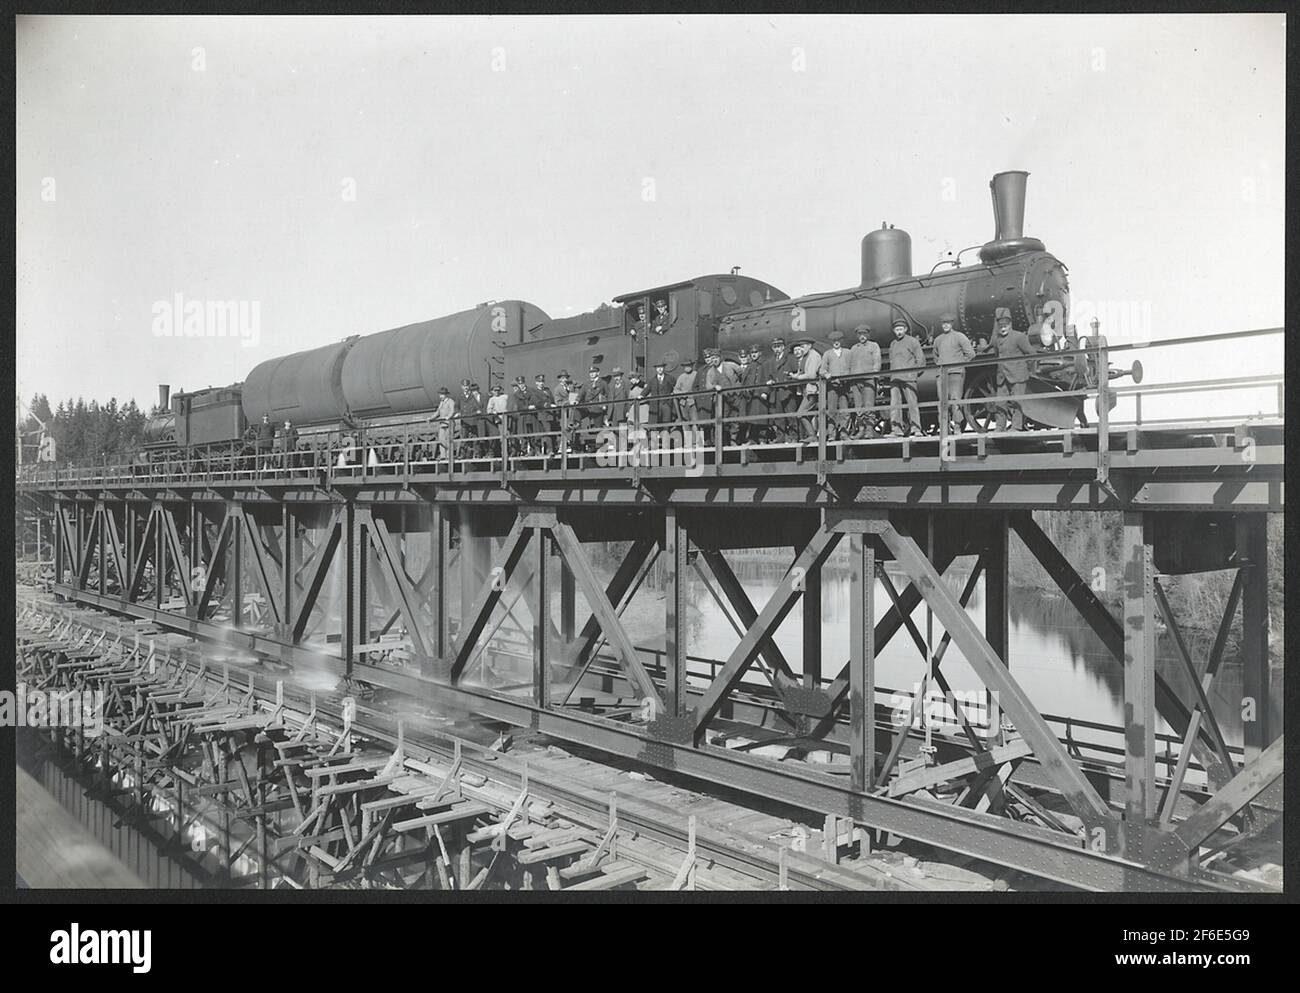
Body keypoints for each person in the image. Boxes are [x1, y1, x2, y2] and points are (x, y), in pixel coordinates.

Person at [989, 306, 1037, 431]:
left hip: (1018, 375)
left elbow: (1032, 354)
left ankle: (1016, 426)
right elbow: (996, 355)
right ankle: (1000, 427)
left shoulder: (1019, 337)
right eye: (1000, 326)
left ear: (1010, 324)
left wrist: (1026, 369)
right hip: (1002, 376)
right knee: (1000, 403)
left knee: (1017, 402)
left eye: (1005, 325)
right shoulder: (996, 340)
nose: (1003, 328)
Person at [931, 313, 976, 432]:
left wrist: (959, 364)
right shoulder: (938, 340)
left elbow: (970, 354)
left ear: (952, 324)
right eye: (943, 323)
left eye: (948, 323)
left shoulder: (959, 336)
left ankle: (957, 426)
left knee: (955, 400)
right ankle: (944, 428)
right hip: (941, 374)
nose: (945, 325)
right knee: (942, 402)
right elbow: (935, 356)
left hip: (956, 373)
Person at [887, 318, 925, 437]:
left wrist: (914, 374)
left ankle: (916, 428)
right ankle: (896, 429)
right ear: (894, 331)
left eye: (901, 329)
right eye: (897, 330)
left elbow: (921, 360)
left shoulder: (913, 342)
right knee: (895, 405)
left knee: (912, 403)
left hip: (908, 378)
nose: (899, 332)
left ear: (905, 329)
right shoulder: (893, 344)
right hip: (894, 378)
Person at [848, 325, 882, 437]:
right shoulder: (853, 348)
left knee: (868, 405)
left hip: (869, 379)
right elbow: (849, 364)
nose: (862, 336)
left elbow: (877, 361)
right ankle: (861, 429)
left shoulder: (874, 346)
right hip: (855, 380)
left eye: (864, 334)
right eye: (860, 334)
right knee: (858, 406)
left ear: (868, 335)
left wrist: (874, 373)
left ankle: (869, 429)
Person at [820, 330, 852, 439]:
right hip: (832, 386)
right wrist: (827, 375)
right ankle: (831, 434)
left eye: (838, 340)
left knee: (845, 410)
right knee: (831, 410)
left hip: (845, 385)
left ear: (842, 341)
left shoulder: (848, 352)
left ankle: (844, 433)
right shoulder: (827, 354)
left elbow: (851, 367)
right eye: (834, 341)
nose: (836, 342)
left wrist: (847, 377)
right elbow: (822, 370)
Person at [766, 336, 799, 441]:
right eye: (775, 347)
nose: (777, 349)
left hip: (787, 390)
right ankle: (780, 436)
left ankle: (794, 436)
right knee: (778, 416)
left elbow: (796, 372)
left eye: (779, 346)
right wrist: (770, 381)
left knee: (791, 414)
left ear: (783, 347)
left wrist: (789, 382)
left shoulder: (790, 358)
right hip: (775, 392)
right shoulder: (771, 361)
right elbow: (769, 375)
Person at [790, 337, 823, 441]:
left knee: (801, 413)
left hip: (813, 390)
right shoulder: (807, 356)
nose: (802, 349)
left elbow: (812, 375)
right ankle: (814, 435)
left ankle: (812, 435)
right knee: (811, 413)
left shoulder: (813, 356)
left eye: (803, 346)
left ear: (809, 346)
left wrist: (798, 377)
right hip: (808, 390)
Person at [577, 366, 609, 451]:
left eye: (594, 372)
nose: (591, 374)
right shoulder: (586, 383)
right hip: (588, 408)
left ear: (598, 373)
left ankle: (599, 447)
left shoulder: (603, 383)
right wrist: (577, 400)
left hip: (598, 408)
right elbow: (581, 394)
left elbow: (607, 395)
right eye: (590, 373)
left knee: (598, 428)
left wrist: (605, 405)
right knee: (576, 412)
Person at [528, 373, 555, 455]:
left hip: (550, 414)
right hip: (541, 414)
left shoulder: (547, 390)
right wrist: (549, 405)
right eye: (539, 382)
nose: (541, 383)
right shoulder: (534, 392)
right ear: (536, 383)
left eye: (542, 381)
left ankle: (549, 450)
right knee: (542, 432)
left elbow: (552, 400)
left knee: (549, 432)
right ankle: (541, 450)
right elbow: (538, 403)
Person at [645, 359, 675, 426]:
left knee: (666, 424)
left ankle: (665, 435)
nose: (660, 369)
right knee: (654, 424)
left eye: (661, 367)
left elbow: (675, 387)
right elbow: (647, 389)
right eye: (658, 368)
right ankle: (655, 436)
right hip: (656, 404)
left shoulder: (670, 378)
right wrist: (641, 395)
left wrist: (673, 393)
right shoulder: (652, 380)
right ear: (656, 369)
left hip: (667, 404)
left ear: (664, 368)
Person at [673, 357, 700, 432]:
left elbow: (700, 388)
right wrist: (682, 394)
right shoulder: (681, 377)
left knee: (696, 423)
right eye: (685, 366)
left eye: (689, 365)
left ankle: (698, 442)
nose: (687, 367)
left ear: (692, 366)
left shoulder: (696, 375)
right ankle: (688, 442)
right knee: (685, 423)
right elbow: (675, 390)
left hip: (694, 402)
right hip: (683, 403)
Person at [434, 387, 456, 460]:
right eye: (440, 394)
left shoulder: (450, 401)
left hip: (448, 423)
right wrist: (431, 418)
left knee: (449, 439)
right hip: (442, 423)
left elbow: (452, 411)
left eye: (442, 395)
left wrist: (448, 417)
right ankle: (443, 455)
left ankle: (449, 455)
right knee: (441, 440)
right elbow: (438, 412)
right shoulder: (441, 403)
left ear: (446, 395)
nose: (440, 396)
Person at [607, 367, 630, 436]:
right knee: (615, 430)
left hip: (622, 411)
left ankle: (623, 446)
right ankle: (616, 446)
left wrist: (628, 411)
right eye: (615, 376)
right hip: (614, 411)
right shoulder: (612, 386)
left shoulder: (625, 385)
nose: (616, 378)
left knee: (622, 430)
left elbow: (628, 398)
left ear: (621, 376)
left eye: (618, 376)